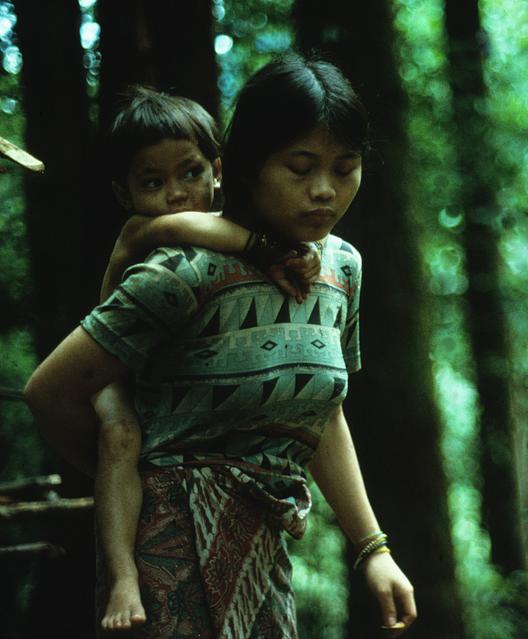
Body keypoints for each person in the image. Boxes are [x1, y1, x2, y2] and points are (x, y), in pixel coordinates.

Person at [24, 54, 417, 638]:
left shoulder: (340, 269)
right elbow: (49, 393)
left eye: (346, 167)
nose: (324, 190)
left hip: (264, 553)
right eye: (300, 167)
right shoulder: (184, 271)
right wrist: (146, 486)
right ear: (243, 167)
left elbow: (321, 413)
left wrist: (374, 548)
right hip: (166, 562)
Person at [92, 86, 320, 632]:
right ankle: (123, 576)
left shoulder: (222, 228)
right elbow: (187, 227)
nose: (175, 194)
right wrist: (277, 250)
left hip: (181, 407)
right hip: (115, 373)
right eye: (152, 182)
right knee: (121, 437)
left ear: (217, 169)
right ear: (125, 194)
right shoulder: (145, 230)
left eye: (190, 173)